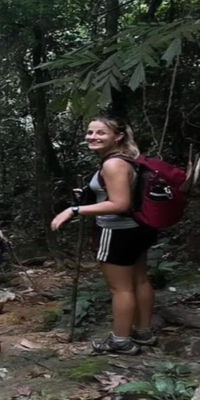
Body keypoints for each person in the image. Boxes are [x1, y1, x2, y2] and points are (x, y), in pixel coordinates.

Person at [51, 116, 157, 355]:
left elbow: (120, 203)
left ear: (117, 136)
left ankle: (121, 340)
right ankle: (143, 331)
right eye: (90, 132)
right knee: (140, 280)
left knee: (121, 288)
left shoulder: (113, 164)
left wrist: (74, 209)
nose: (93, 137)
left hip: (117, 230)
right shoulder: (127, 159)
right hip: (138, 228)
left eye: (101, 133)